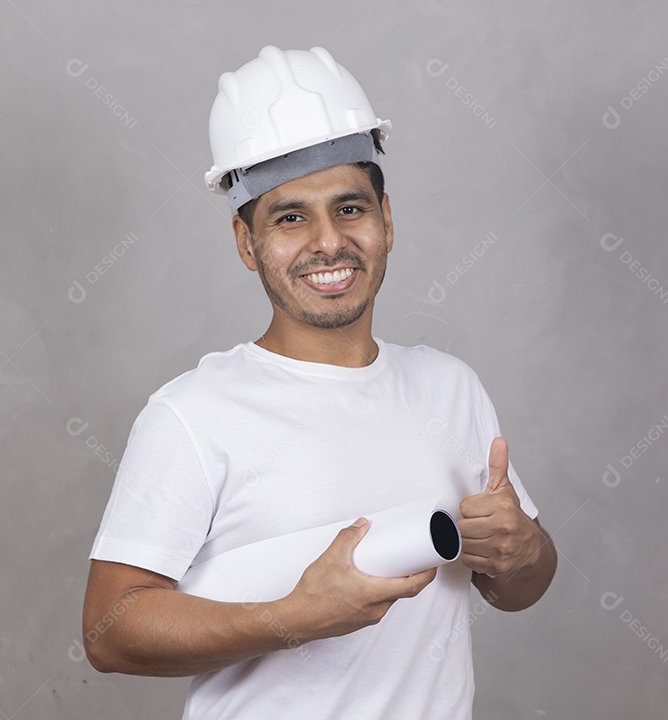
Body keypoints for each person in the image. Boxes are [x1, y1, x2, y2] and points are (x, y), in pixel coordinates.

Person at [82, 45, 557, 719]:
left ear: (386, 221)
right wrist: (293, 618)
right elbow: (107, 633)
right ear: (247, 244)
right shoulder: (194, 415)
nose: (328, 242)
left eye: (350, 209)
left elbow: (517, 587)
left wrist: (523, 551)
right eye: (290, 217)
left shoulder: (449, 389)